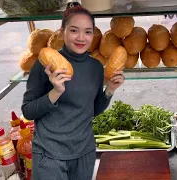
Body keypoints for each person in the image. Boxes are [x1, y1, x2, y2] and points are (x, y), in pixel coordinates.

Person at [21, 2, 125, 180]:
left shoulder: (96, 67)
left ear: (93, 34)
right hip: (49, 153)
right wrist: (56, 92)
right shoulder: (45, 63)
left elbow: (92, 110)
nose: (81, 38)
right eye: (74, 30)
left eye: (88, 32)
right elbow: (28, 111)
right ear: (62, 32)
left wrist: (110, 89)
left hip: (84, 152)